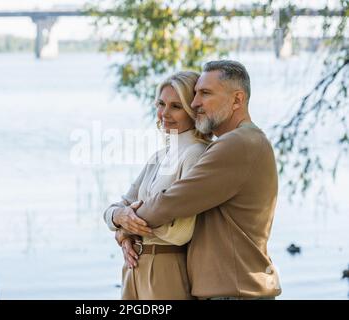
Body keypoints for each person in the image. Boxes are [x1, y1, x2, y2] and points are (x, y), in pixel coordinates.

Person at [118, 60, 282, 299]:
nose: (195, 103)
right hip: (231, 288)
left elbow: (171, 202)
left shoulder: (238, 144)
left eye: (205, 93)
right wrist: (120, 220)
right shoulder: (242, 142)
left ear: (237, 99)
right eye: (195, 94)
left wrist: (124, 223)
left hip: (236, 291)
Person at [103, 71, 211, 299]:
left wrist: (125, 227)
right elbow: (116, 208)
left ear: (193, 111)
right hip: (134, 266)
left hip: (165, 269)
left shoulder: (196, 155)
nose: (164, 113)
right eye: (161, 104)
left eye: (176, 106)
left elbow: (180, 232)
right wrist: (119, 217)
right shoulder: (159, 157)